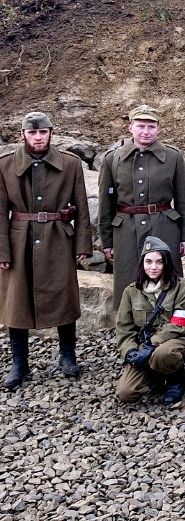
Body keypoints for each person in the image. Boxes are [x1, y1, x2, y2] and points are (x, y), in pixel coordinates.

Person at [0, 112, 93, 389]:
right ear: (22, 135)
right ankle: (19, 363)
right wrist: (2, 252)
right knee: (16, 299)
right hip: (19, 239)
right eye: (32, 133)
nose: (38, 137)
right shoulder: (4, 165)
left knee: (64, 294)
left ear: (51, 133)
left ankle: (68, 355)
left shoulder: (70, 163)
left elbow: (82, 207)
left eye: (43, 132)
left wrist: (83, 245)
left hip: (58, 236)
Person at [98, 105, 185, 310]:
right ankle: (128, 326)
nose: (146, 131)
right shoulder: (112, 159)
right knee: (128, 280)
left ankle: (170, 325)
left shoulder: (173, 157)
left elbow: (183, 200)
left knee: (167, 278)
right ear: (130, 128)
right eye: (140, 126)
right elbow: (105, 205)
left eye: (151, 127)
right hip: (126, 230)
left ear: (158, 129)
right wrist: (107, 241)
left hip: (164, 227)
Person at [115, 237, 185, 406]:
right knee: (126, 393)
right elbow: (123, 328)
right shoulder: (131, 291)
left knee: (162, 353)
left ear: (167, 263)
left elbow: (180, 323)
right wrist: (130, 352)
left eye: (159, 262)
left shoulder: (182, 287)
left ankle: (175, 380)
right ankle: (155, 375)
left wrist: (152, 343)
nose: (153, 267)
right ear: (142, 263)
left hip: (175, 340)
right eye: (148, 262)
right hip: (143, 346)